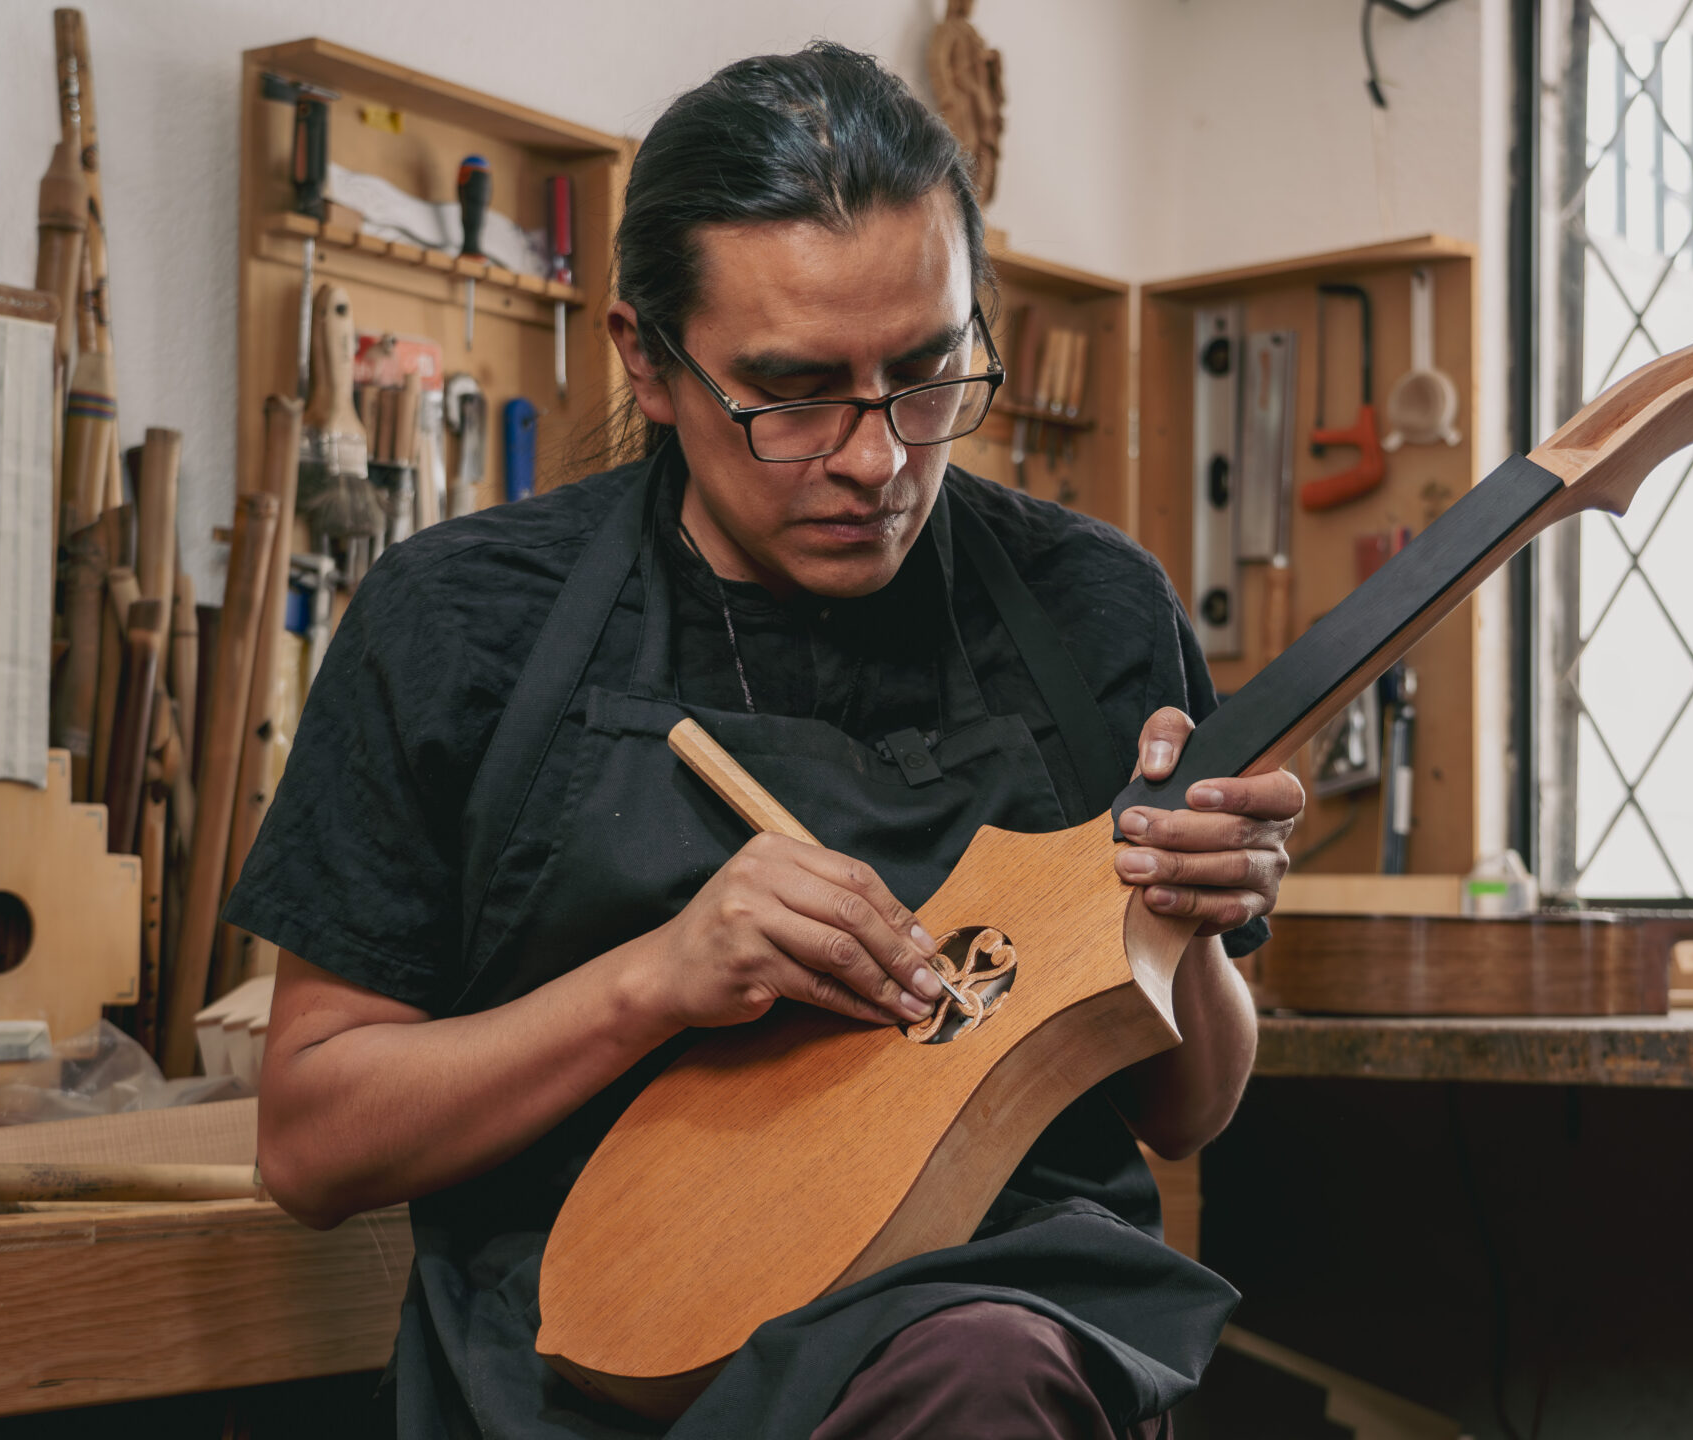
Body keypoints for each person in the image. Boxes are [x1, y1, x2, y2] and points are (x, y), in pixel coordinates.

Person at [231, 41, 1304, 1440]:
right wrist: (657, 980)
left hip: (998, 1347)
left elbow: (1186, 1114)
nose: (879, 460)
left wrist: (1198, 924)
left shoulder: (1089, 608)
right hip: (588, 1361)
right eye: (793, 393)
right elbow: (309, 1142)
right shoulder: (461, 623)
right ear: (650, 361)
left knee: (976, 1373)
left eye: (927, 374)